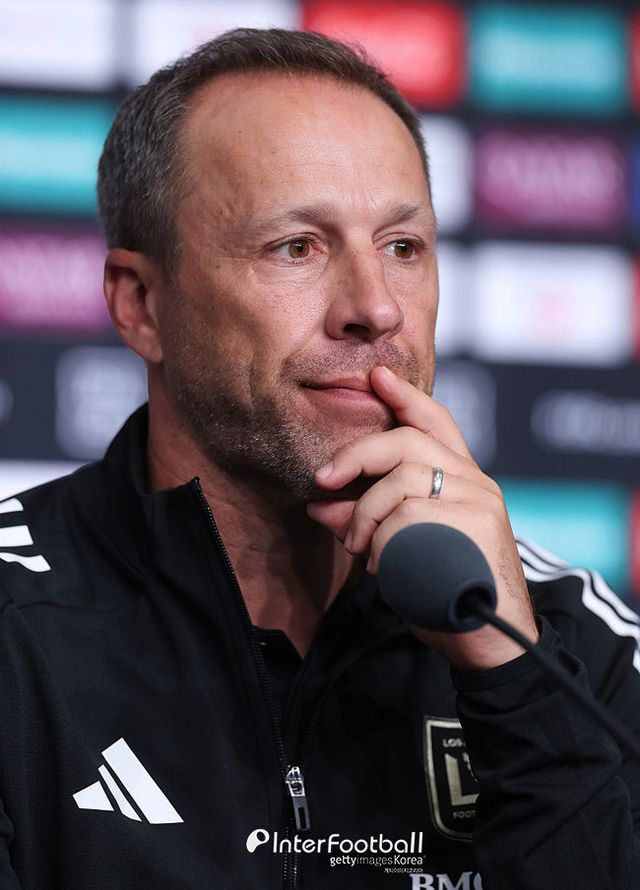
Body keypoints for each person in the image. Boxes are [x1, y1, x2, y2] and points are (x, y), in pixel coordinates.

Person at [0, 28, 639, 890]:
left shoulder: (569, 641)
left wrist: (515, 684)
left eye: (402, 248)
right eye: (297, 246)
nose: (375, 308)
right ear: (142, 304)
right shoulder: (17, 632)